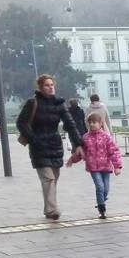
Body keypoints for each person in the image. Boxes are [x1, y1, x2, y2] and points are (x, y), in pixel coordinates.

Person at [17, 74, 85, 219]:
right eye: (47, 85)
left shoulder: (59, 104)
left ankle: (48, 208)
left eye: (52, 85)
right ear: (41, 87)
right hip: (38, 145)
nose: (50, 87)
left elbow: (70, 124)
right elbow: (21, 122)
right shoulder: (33, 103)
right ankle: (52, 209)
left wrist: (78, 144)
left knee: (54, 177)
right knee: (48, 178)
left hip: (54, 145)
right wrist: (33, 138)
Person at [66, 112, 122, 218]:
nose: (92, 124)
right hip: (93, 168)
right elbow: (81, 152)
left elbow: (114, 151)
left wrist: (117, 166)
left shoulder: (106, 137)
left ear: (101, 123)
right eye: (90, 122)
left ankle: (101, 200)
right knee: (99, 186)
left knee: (106, 189)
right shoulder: (86, 138)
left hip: (106, 167)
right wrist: (72, 159)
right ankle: (102, 208)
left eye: (94, 122)